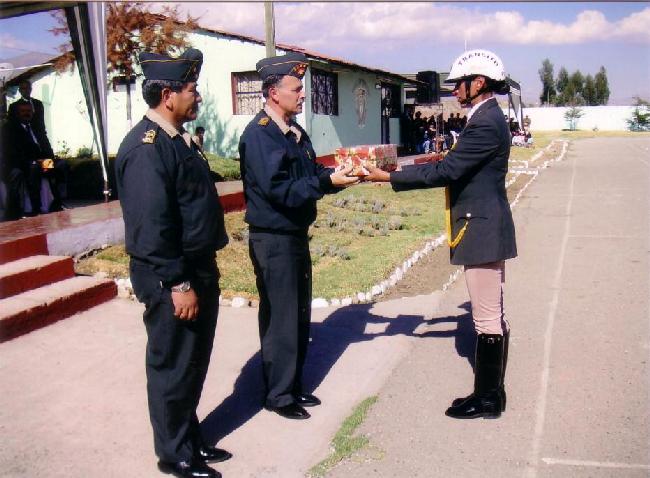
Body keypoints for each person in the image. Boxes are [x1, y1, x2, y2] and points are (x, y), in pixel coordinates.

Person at [365, 49, 516, 420]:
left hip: (480, 224)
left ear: (478, 83)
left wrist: (389, 176)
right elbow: (456, 164)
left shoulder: (484, 122)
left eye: (460, 84)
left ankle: (487, 398)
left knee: (486, 317)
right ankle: (492, 393)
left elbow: (448, 171)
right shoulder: (487, 117)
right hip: (484, 221)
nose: (456, 90)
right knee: (490, 312)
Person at [115, 48, 231, 478]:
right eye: (190, 88)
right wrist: (178, 282)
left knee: (193, 359)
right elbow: (151, 227)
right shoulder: (146, 148)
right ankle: (174, 453)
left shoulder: (174, 138)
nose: (196, 95)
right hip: (172, 275)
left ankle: (188, 435)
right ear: (168, 95)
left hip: (196, 265)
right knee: (173, 363)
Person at [238, 52, 357, 420]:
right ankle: (278, 395)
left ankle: (291, 385)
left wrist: (338, 177)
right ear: (274, 92)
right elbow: (282, 190)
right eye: (296, 88)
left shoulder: (292, 131)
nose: (303, 94)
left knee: (297, 314)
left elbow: (308, 177)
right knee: (281, 318)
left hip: (292, 235)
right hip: (273, 238)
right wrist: (325, 182)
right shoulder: (260, 136)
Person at [1, 101, 65, 216]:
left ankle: (57, 202)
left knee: (61, 165)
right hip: (22, 164)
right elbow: (11, 154)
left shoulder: (36, 127)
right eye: (23, 111)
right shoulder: (9, 129)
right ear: (17, 113)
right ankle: (36, 208)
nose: (27, 114)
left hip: (42, 162)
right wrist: (34, 161)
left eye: (29, 111)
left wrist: (49, 159)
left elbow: (45, 147)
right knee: (34, 168)